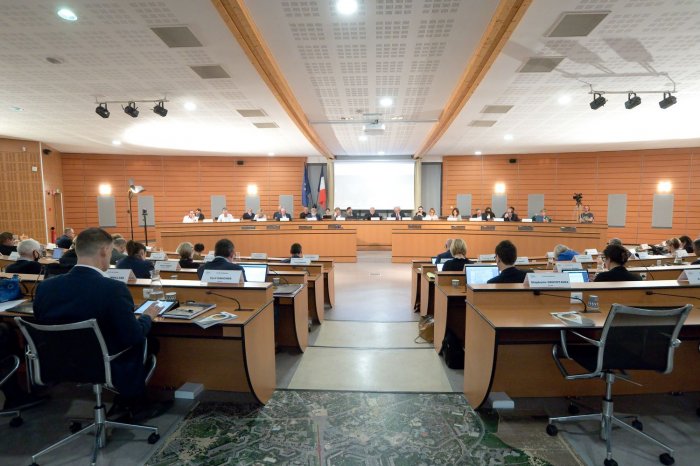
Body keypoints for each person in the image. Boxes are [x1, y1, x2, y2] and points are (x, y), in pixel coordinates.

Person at [33, 228, 163, 403]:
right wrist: (147, 316)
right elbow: (133, 335)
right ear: (104, 250)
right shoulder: (113, 289)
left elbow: (41, 321)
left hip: (58, 362)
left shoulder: (45, 287)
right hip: (102, 364)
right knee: (149, 341)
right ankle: (134, 402)